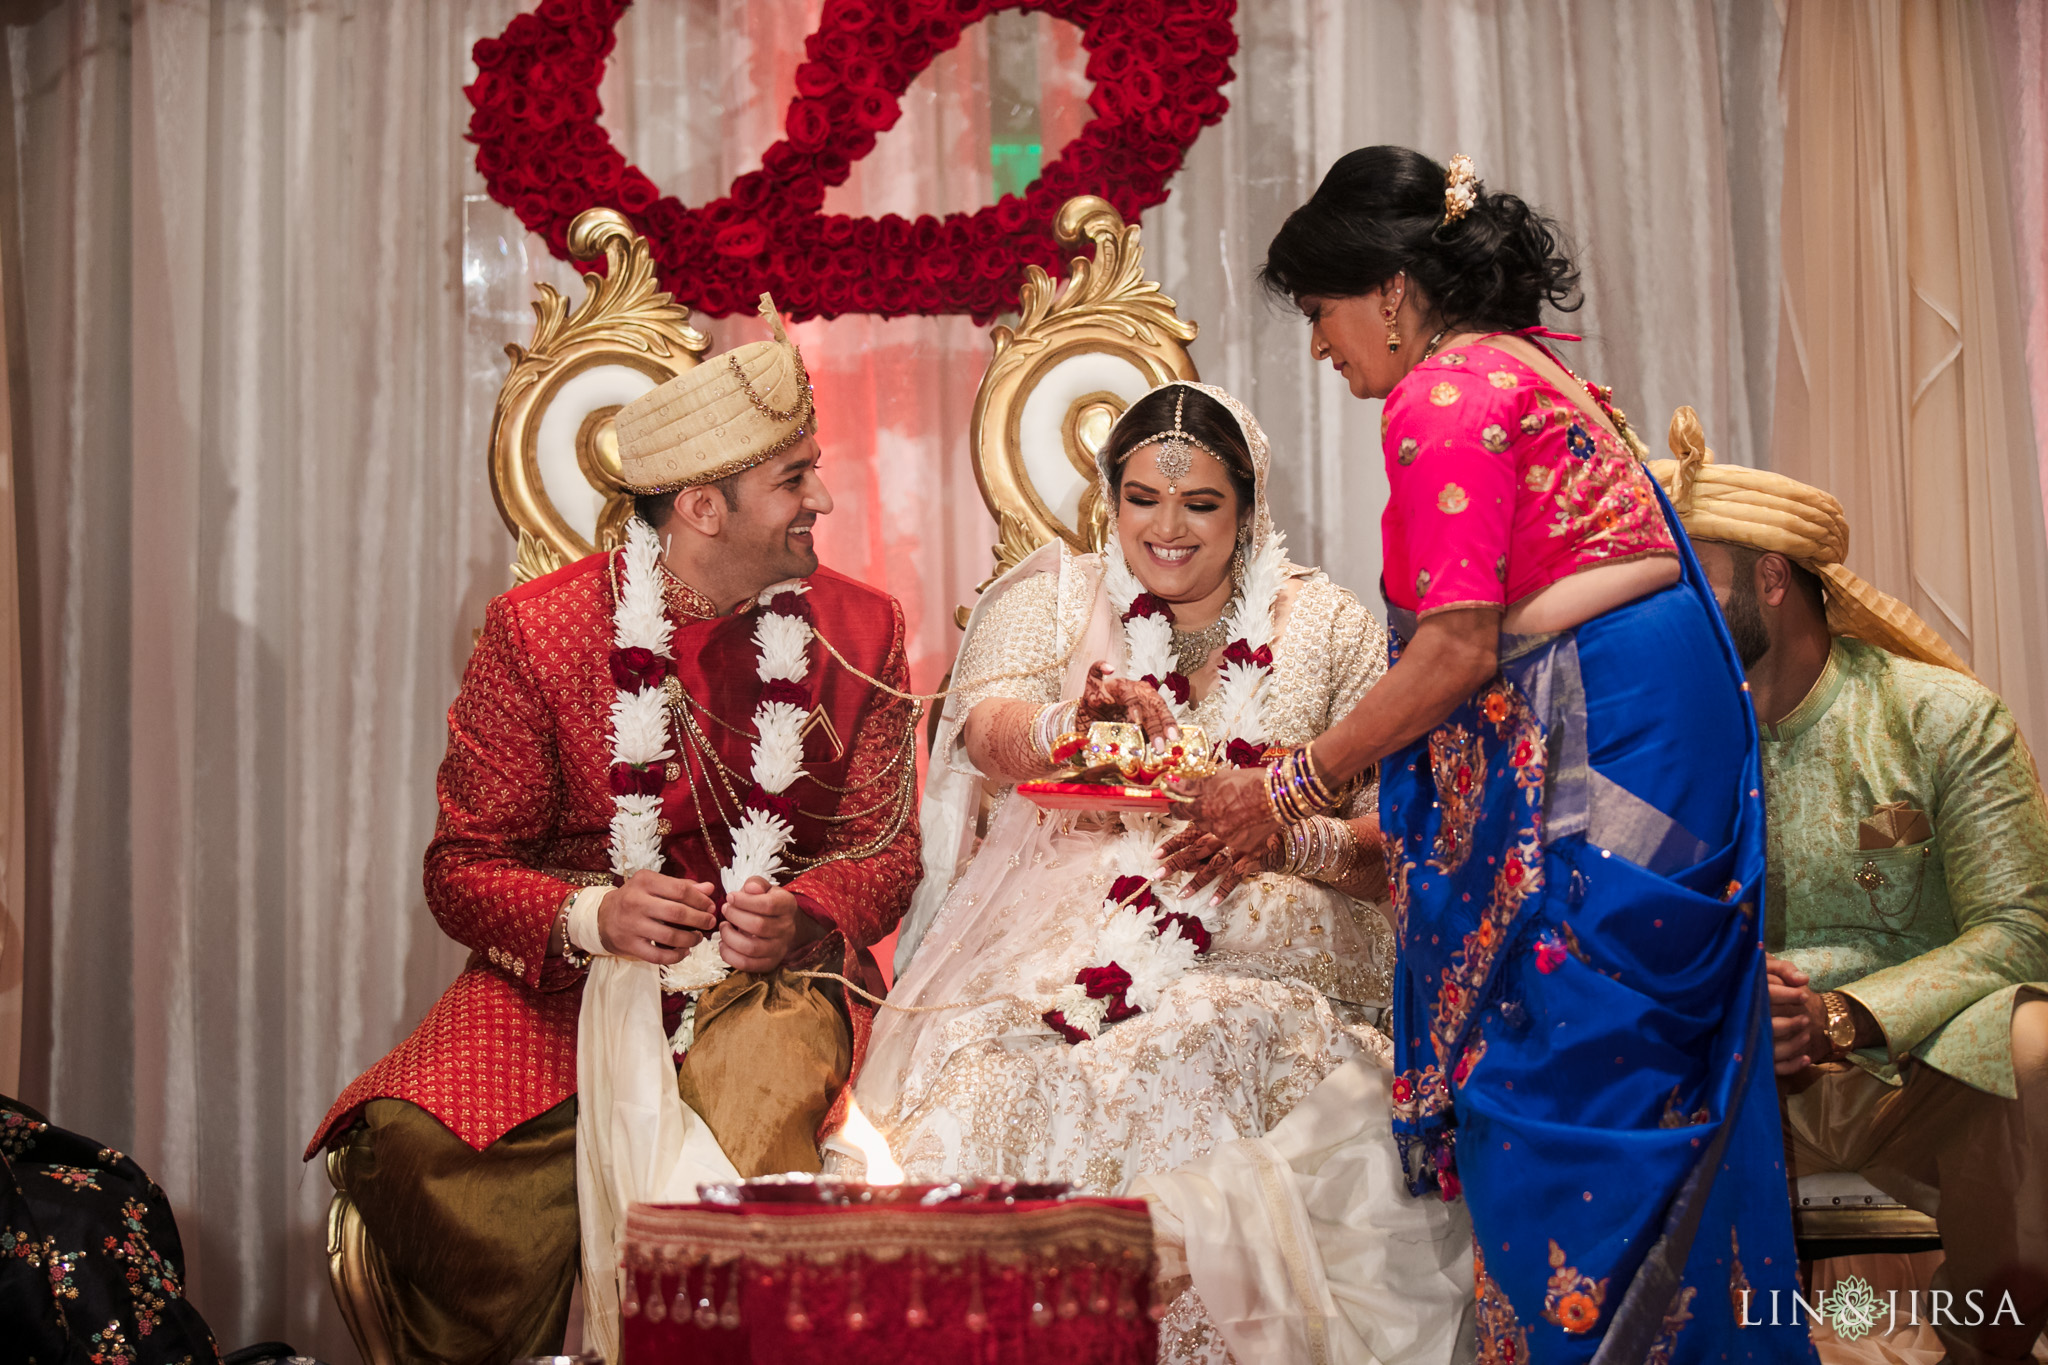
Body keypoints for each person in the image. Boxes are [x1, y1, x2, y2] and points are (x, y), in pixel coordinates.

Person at [1175, 147, 1814, 1364]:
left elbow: (1457, 649)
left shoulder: (1448, 395)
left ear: (1393, 289)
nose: (1320, 347)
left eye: (1320, 313)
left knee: (1562, 1068)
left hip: (1603, 748)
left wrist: (1285, 784)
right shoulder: (1533, 371)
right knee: (1635, 1069)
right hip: (1656, 741)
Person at [306, 295, 923, 1365]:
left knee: (739, 1134)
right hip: (568, 982)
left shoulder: (862, 627)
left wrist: (805, 913)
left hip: (773, 977)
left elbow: (888, 849)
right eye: (793, 479)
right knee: (413, 1148)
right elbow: (461, 869)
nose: (821, 497)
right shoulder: (536, 629)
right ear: (700, 507)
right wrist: (593, 913)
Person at [866, 381, 1474, 1365]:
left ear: (1248, 508)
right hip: (1056, 945)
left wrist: (1284, 841)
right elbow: (986, 729)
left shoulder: (1325, 627)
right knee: (1014, 1084)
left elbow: (1402, 836)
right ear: (1108, 504)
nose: (1168, 528)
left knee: (1210, 1037)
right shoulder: (1050, 595)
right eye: (1142, 498)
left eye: (1200, 504)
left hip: (1276, 950)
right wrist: (1078, 727)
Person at [1650, 420, 2048, 1365]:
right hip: (1725, 1064)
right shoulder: (1659, 741)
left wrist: (1841, 1015)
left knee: (2034, 1039)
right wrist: (1730, 1000)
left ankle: (1985, 1349)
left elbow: (2021, 929)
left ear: (1772, 580)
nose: (1668, 611)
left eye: (1690, 580)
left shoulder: (1939, 717)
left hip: (1915, 1071)